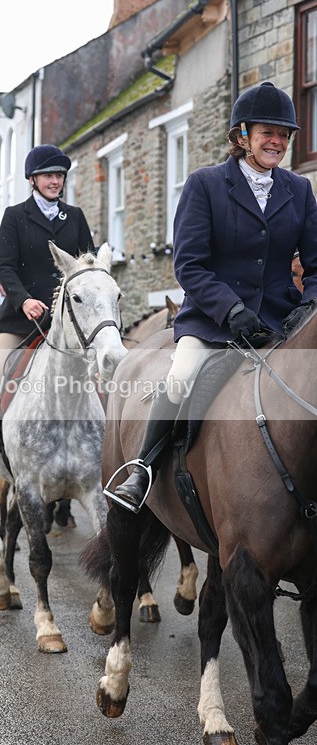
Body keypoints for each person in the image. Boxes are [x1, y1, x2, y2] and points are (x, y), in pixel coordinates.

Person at [107, 81, 317, 512]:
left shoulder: (299, 190)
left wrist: (307, 310)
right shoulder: (205, 184)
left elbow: (315, 266)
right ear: (242, 136)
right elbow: (189, 265)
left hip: (279, 323)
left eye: (284, 134)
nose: (277, 141)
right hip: (212, 322)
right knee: (181, 375)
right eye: (268, 132)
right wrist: (231, 308)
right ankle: (143, 470)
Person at [0, 143, 94, 481]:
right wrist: (23, 300)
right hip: (20, 319)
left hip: (66, 322)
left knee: (97, 375)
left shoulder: (76, 218)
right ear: (32, 179)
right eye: (48, 175)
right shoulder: (14, 216)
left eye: (59, 175)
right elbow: (5, 268)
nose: (55, 181)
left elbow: (88, 265)